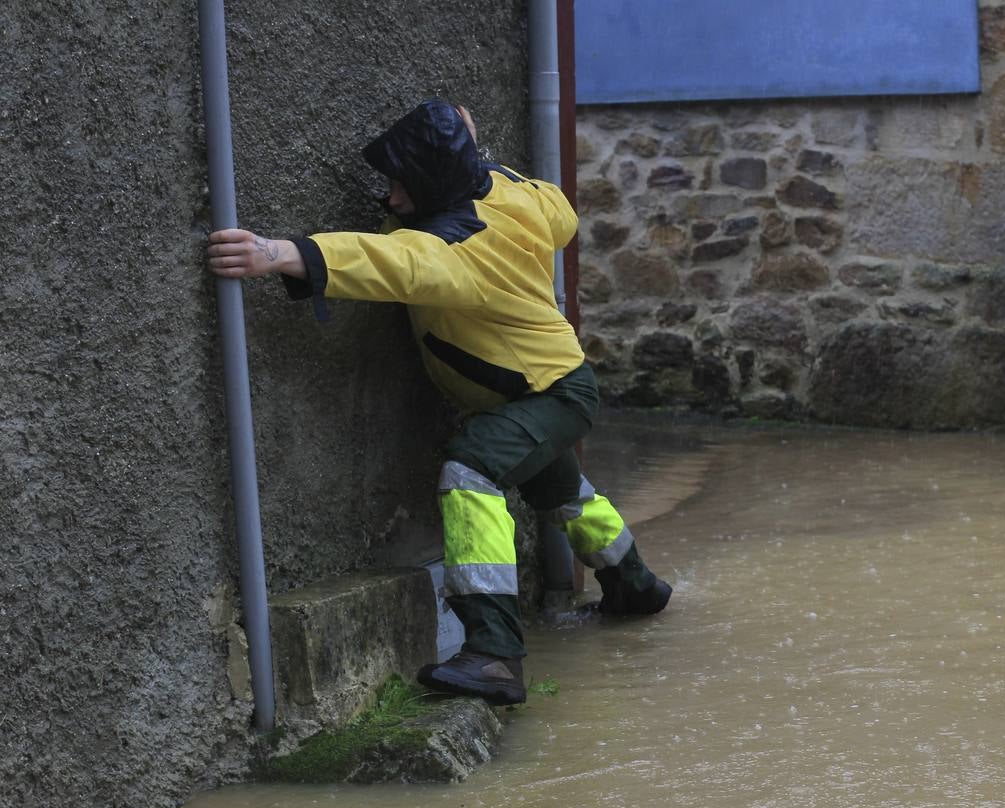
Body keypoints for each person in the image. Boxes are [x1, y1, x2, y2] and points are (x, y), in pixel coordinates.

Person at [206, 99, 671, 706]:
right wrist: (465, 142)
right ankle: (636, 587)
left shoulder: (454, 250)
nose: (392, 200)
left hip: (544, 393)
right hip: (552, 385)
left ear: (432, 183)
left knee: (470, 467)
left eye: (403, 185)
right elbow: (558, 208)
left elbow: (387, 260)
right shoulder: (509, 191)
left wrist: (277, 254)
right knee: (563, 493)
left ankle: (495, 656)